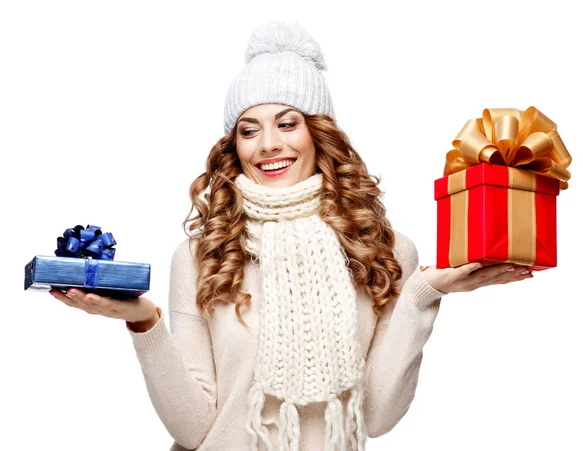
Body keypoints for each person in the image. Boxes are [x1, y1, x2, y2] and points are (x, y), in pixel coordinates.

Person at [49, 20, 535, 451]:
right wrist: (143, 321)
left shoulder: (382, 250)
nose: (268, 145)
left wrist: (425, 292)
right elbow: (194, 429)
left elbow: (378, 418)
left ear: (318, 134)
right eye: (248, 130)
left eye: (287, 123)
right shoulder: (203, 253)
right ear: (233, 145)